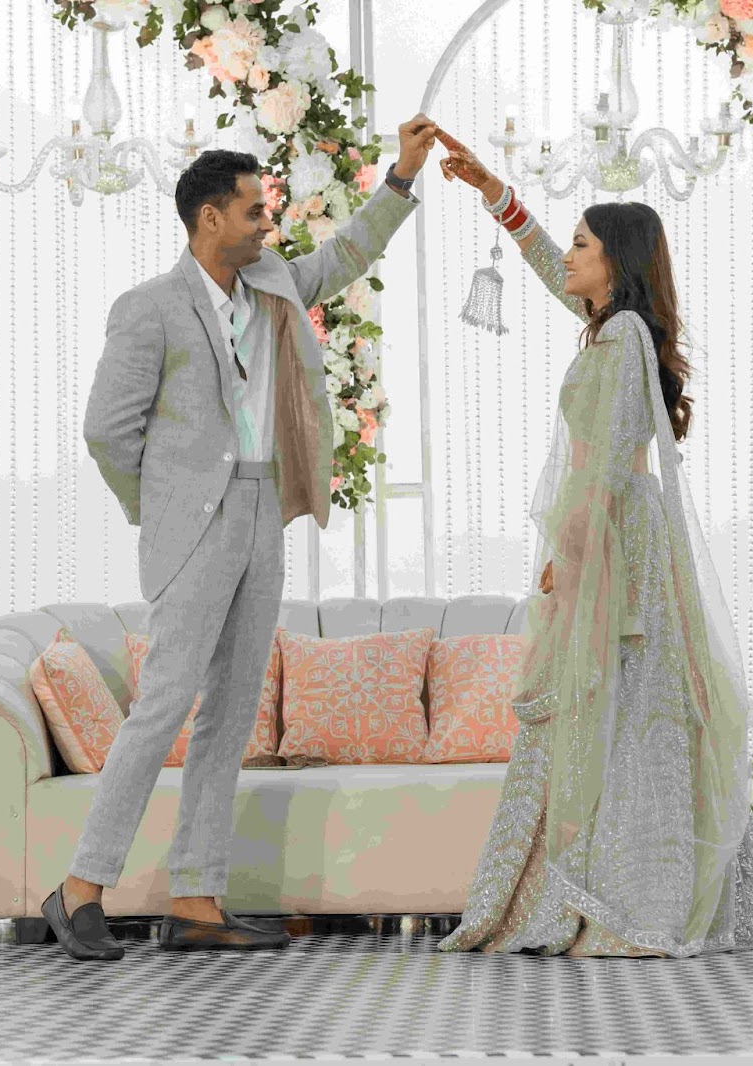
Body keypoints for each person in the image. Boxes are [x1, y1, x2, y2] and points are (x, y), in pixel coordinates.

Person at [44, 117, 441, 961]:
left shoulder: (272, 285)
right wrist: (165, 507)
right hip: (195, 524)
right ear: (208, 219)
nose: (268, 222)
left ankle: (196, 899)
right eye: (254, 210)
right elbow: (106, 431)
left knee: (229, 718)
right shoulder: (149, 309)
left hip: (268, 511)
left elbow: (346, 257)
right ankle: (80, 887)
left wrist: (401, 179)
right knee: (163, 711)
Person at [432, 128, 753, 957]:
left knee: (625, 712)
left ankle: (625, 898)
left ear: (616, 262)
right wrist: (493, 191)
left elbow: (602, 466)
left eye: (581, 245)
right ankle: (618, 886)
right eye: (569, 242)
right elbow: (542, 267)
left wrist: (569, 560)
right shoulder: (614, 328)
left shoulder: (622, 338)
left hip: (613, 541)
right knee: (622, 713)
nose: (566, 256)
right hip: (620, 537)